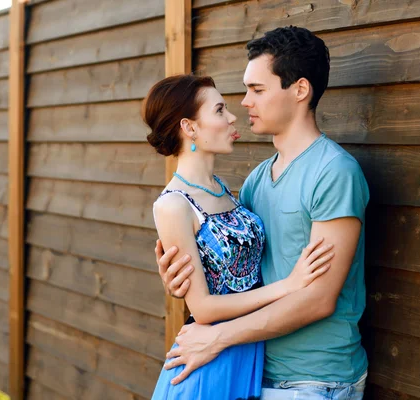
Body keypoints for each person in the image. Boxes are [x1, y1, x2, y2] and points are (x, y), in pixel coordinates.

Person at [155, 26, 370, 399]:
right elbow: (240, 269)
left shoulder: (334, 172)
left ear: (300, 90)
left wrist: (216, 337)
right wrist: (183, 279)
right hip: (253, 370)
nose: (244, 103)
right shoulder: (255, 181)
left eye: (257, 90)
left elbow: (319, 298)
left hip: (314, 380)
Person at [143, 74, 335, 400]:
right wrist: (289, 285)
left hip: (245, 353)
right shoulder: (173, 204)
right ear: (189, 128)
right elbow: (202, 308)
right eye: (219, 110)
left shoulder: (227, 191)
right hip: (208, 363)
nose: (232, 117)